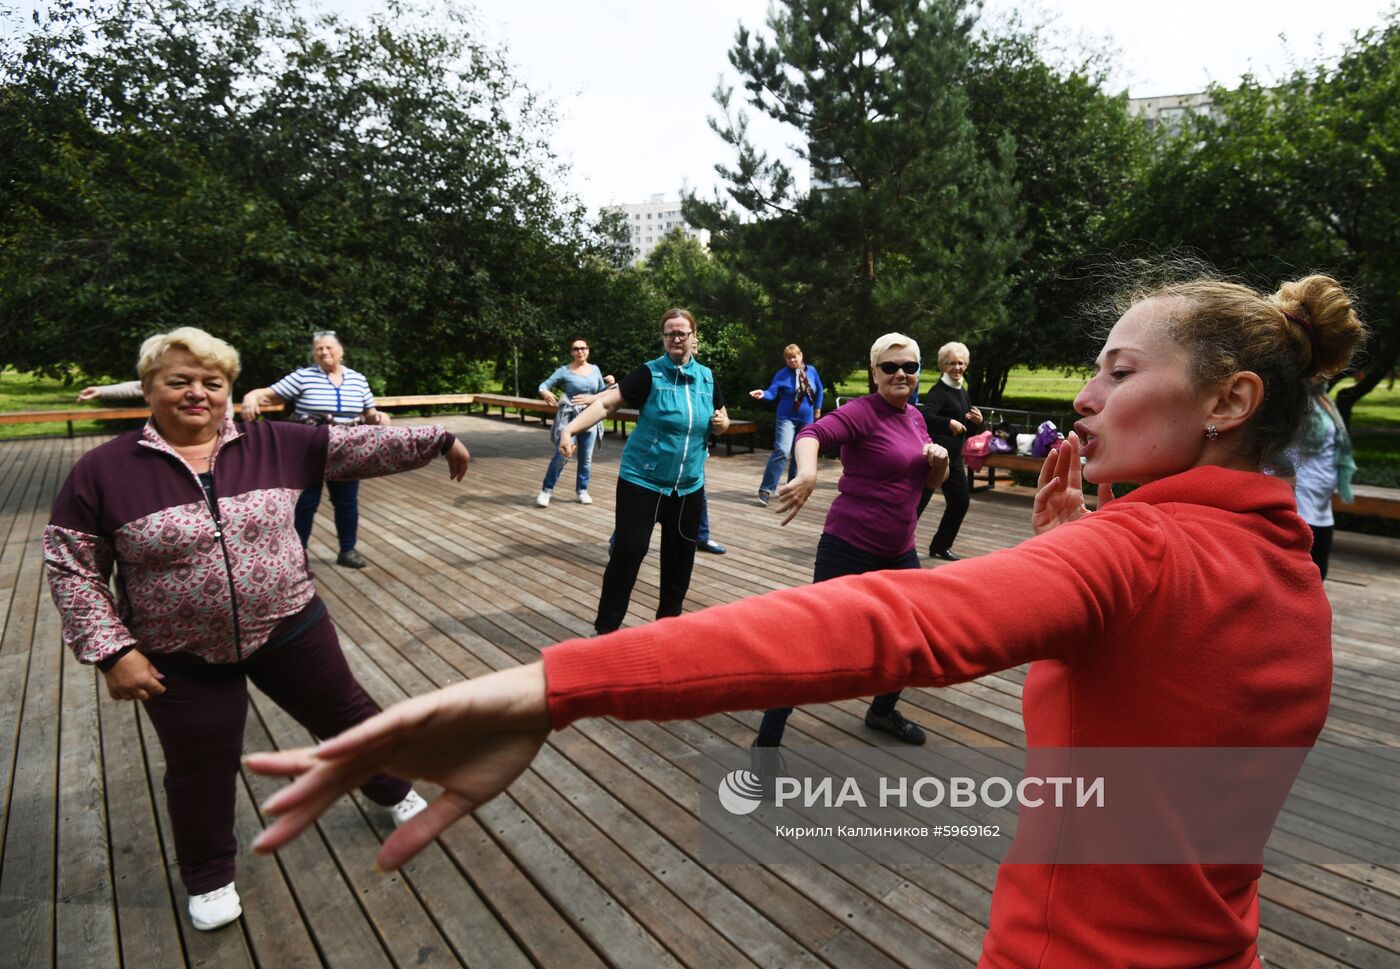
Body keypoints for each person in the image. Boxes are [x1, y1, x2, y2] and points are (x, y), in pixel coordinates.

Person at [247, 271, 1365, 968]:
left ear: (1227, 402)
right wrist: (1067, 564)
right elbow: (1166, 752)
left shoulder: (1146, 551)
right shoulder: (1284, 572)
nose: (1082, 396)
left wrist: (556, 683)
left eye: (1117, 372)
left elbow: (888, 622)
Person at [44, 327, 471, 933]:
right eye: (179, 381)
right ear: (147, 389)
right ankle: (210, 875)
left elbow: (359, 446)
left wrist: (441, 437)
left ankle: (393, 788)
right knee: (200, 765)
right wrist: (113, 651)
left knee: (347, 718)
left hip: (290, 627)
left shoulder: (275, 443)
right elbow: (72, 567)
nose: (198, 393)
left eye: (212, 383)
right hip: (180, 656)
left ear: (230, 390)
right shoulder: (104, 471)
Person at [755, 333, 949, 748]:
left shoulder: (914, 417)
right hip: (850, 546)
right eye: (890, 367)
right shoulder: (864, 412)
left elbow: (929, 481)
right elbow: (811, 434)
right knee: (812, 646)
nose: (901, 374)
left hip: (900, 551)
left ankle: (881, 710)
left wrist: (941, 465)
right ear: (874, 372)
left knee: (913, 639)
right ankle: (767, 742)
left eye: (910, 367)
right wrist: (806, 473)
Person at [558, 308, 729, 633]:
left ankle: (668, 627)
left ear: (694, 337)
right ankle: (606, 629)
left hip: (688, 487)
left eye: (682, 333)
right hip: (643, 482)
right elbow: (607, 404)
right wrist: (570, 430)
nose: (676, 338)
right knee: (628, 552)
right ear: (663, 338)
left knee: (680, 560)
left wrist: (722, 425)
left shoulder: (707, 377)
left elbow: (721, 420)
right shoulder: (650, 374)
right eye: (670, 333)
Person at [240, 331, 389, 568]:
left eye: (329, 347)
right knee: (306, 503)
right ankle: (299, 553)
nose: (324, 352)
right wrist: (250, 397)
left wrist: (379, 416)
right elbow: (267, 393)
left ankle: (347, 550)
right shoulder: (303, 377)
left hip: (347, 450)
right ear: (314, 353)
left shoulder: (358, 379)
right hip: (309, 450)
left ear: (341, 351)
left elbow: (370, 413)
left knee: (347, 502)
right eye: (319, 349)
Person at [917, 341, 983, 560]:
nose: (957, 367)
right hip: (933, 459)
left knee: (960, 502)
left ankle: (940, 546)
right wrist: (948, 423)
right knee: (916, 506)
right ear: (943, 366)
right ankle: (894, 545)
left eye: (961, 363)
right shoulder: (939, 391)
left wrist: (977, 422)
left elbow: (967, 428)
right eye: (952, 363)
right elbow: (925, 416)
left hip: (953, 460)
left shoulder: (962, 392)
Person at [535, 336, 615, 507]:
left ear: (588, 350)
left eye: (583, 348)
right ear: (571, 352)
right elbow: (544, 384)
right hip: (570, 418)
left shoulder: (595, 369)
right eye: (576, 349)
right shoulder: (564, 370)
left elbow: (601, 392)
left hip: (591, 417)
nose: (580, 351)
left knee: (586, 458)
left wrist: (610, 383)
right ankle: (546, 490)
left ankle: (582, 490)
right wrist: (544, 392)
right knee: (562, 454)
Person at [1290, 376, 1356, 578]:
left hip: (1321, 504)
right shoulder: (1292, 400)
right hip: (1301, 502)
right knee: (1302, 576)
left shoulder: (1321, 397)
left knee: (1319, 574)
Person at [749, 345, 824, 506]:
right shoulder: (781, 375)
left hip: (807, 419)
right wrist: (763, 394)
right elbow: (772, 392)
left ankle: (793, 488)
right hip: (786, 418)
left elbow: (820, 391)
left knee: (800, 455)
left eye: (795, 356)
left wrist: (818, 409)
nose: (792, 360)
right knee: (782, 450)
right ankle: (766, 489)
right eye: (789, 358)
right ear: (786, 360)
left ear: (801, 355)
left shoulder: (811, 371)